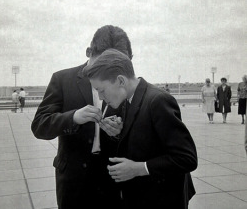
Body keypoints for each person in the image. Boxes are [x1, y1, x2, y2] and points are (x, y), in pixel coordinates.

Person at [31, 25, 133, 209]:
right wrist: (73, 117)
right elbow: (39, 126)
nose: (107, 71)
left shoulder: (123, 81)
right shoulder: (62, 79)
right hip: (73, 178)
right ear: (88, 52)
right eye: (102, 62)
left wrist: (119, 130)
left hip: (112, 178)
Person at [83, 49, 198, 209]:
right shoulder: (127, 99)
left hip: (162, 199)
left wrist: (138, 169)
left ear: (121, 81)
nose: (101, 97)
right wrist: (117, 134)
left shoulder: (158, 101)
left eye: (101, 90)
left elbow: (186, 158)